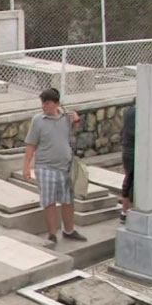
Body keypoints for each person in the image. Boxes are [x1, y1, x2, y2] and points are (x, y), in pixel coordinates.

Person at [22, 88, 87, 244]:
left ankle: (69, 230)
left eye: (47, 103)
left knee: (67, 200)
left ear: (56, 104)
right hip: (45, 166)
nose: (44, 106)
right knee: (49, 201)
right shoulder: (38, 120)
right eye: (42, 103)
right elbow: (31, 145)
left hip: (65, 166)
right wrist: (26, 167)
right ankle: (52, 234)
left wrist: (77, 121)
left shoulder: (66, 118)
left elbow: (75, 133)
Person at [120, 105, 135, 222]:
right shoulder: (136, 113)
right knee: (131, 181)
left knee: (128, 180)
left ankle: (124, 211)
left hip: (127, 150)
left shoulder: (128, 111)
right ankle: (127, 211)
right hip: (133, 151)